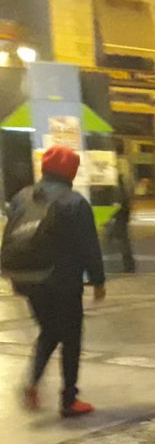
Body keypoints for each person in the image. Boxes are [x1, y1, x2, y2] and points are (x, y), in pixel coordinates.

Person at [9, 146, 106, 417]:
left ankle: (32, 382)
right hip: (61, 280)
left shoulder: (22, 197)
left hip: (27, 277)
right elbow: (89, 247)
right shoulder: (73, 202)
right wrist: (98, 281)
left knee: (50, 331)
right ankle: (69, 400)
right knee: (71, 337)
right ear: (71, 172)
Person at [106, 175, 136, 272]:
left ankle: (129, 266)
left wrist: (112, 216)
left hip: (120, 219)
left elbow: (117, 206)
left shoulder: (118, 191)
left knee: (123, 243)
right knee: (123, 242)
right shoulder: (123, 190)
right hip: (123, 219)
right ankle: (129, 265)